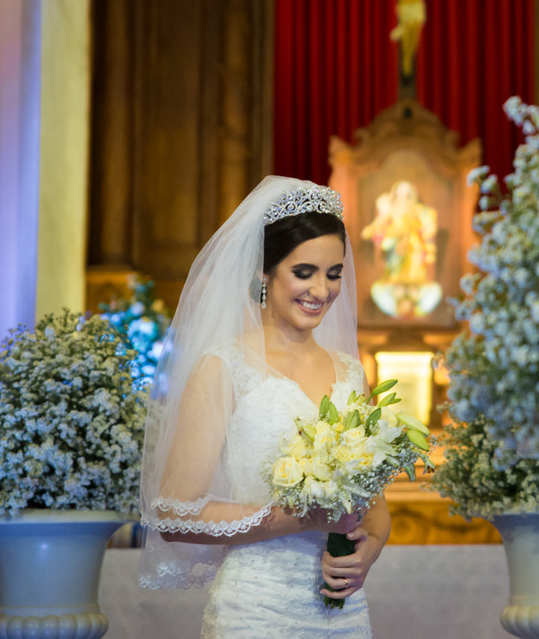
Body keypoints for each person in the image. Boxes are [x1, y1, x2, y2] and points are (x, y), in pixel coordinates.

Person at [139, 176, 389, 637]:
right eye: (304, 272)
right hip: (255, 610)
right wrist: (298, 519)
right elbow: (173, 514)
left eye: (334, 273)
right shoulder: (223, 368)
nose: (322, 290)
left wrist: (369, 549)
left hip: (344, 614)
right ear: (264, 271)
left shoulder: (351, 373)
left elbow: (373, 504)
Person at [361, 180, 442, 318]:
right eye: (400, 195)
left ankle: (413, 303)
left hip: (414, 251)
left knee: (415, 278)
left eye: (407, 195)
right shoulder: (390, 211)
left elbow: (429, 229)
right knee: (394, 277)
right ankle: (399, 301)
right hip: (395, 254)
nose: (404, 199)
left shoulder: (420, 211)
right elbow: (371, 232)